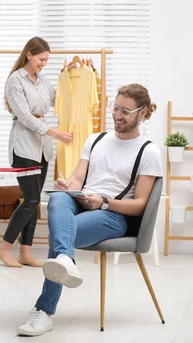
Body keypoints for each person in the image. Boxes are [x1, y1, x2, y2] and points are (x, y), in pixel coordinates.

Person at [17, 84, 162, 336]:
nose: (117, 115)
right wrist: (67, 186)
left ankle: (44, 311)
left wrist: (104, 201)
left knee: (59, 237)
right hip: (80, 202)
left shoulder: (148, 151)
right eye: (115, 107)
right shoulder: (96, 139)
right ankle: (65, 260)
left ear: (143, 113)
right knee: (59, 198)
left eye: (126, 111)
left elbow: (139, 205)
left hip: (113, 215)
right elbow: (76, 180)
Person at [0, 37, 73, 268]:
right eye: (42, 59)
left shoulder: (41, 79)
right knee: (30, 199)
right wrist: (55, 133)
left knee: (35, 201)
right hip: (24, 145)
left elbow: (56, 97)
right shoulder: (15, 81)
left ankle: (25, 253)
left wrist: (68, 77)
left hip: (41, 147)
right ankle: (4, 248)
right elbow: (26, 117)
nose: (44, 64)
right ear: (29, 54)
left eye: (47, 60)